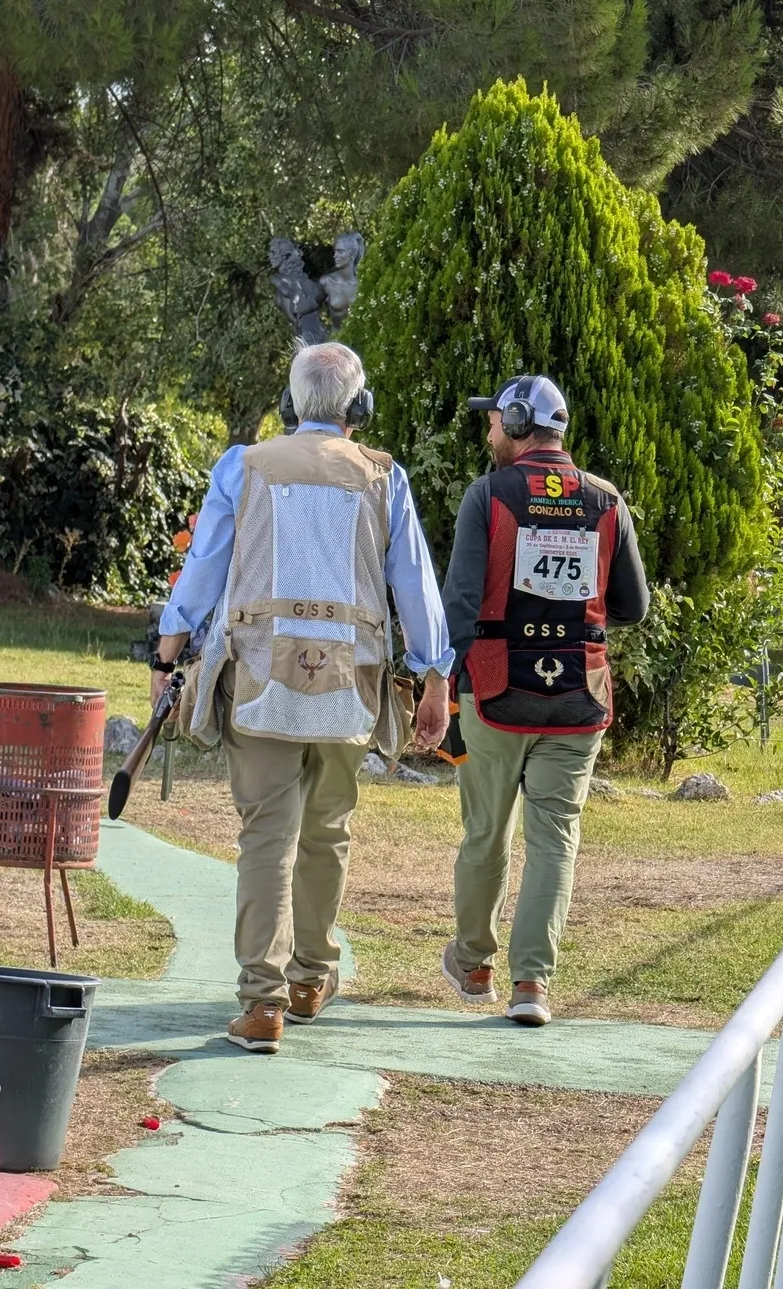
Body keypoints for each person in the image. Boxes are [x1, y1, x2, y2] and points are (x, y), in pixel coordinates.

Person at [153, 342, 452, 1053]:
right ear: (359, 409)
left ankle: (261, 1001)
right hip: (354, 684)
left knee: (266, 836)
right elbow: (416, 583)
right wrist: (436, 674)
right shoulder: (386, 476)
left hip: (260, 680)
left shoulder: (243, 466)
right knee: (329, 831)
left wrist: (167, 649)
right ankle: (312, 977)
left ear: (289, 405)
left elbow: (204, 568)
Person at [440, 375, 649, 1026]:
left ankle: (474, 962)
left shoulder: (489, 494)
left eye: (496, 420)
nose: (489, 430)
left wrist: (441, 680)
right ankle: (531, 984)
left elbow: (461, 603)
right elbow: (633, 606)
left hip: (497, 692)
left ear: (522, 422)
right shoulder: (606, 500)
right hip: (577, 696)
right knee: (555, 839)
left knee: (485, 833)